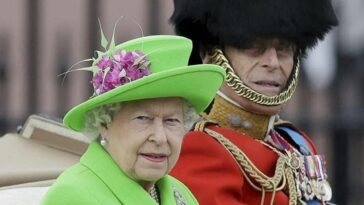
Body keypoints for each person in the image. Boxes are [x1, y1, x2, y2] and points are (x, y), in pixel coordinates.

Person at [169, 0, 338, 205]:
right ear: (210, 55)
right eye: (253, 48)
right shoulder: (201, 148)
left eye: (283, 49)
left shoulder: (294, 141)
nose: (273, 63)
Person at [40, 33, 225, 205]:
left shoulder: (180, 193)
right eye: (143, 118)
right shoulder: (72, 195)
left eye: (171, 121)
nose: (160, 138)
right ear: (104, 123)